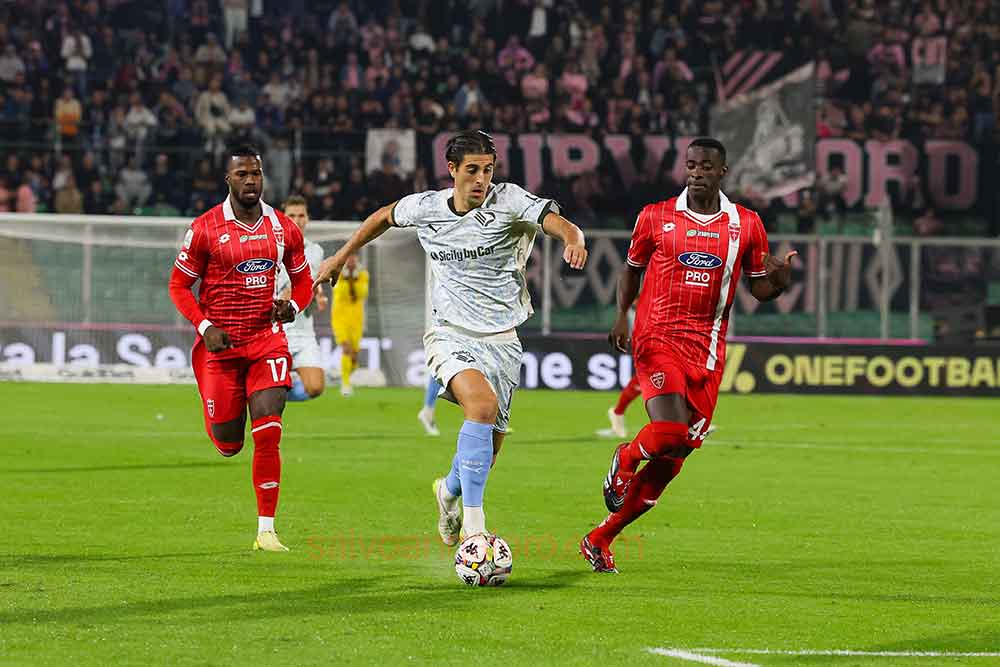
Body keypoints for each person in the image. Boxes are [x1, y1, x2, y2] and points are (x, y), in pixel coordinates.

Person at [314, 130, 587, 544]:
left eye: (488, 170)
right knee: (481, 407)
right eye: (472, 170)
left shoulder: (509, 201)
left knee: (488, 449)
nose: (481, 179)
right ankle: (475, 531)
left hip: (502, 339)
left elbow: (557, 223)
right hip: (449, 332)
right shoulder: (427, 207)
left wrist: (574, 237)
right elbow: (384, 216)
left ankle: (448, 492)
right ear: (453, 170)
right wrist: (340, 256)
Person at [580, 138, 797, 573]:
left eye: (706, 166)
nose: (697, 172)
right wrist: (621, 315)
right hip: (657, 338)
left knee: (673, 460)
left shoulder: (746, 224)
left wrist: (781, 282)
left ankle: (600, 538)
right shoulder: (655, 216)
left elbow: (758, 288)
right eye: (691, 165)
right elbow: (631, 269)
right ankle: (626, 457)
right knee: (670, 431)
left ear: (722, 172)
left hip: (708, 350)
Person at [168, 145, 314, 553]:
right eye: (242, 175)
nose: (251, 181)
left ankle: (266, 530)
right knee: (229, 443)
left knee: (269, 429)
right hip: (220, 345)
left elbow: (303, 280)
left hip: (266, 341)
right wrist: (205, 326)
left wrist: (293, 306)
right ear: (228, 180)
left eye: (256, 173)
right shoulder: (205, 228)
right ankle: (217, 412)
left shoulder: (283, 227)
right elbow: (178, 286)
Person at [275, 194, 327, 402]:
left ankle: (275, 394)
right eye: (291, 215)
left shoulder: (315, 251)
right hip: (275, 330)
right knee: (269, 386)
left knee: (315, 387)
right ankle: (270, 394)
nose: (297, 220)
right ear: (283, 218)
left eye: (301, 215)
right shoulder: (271, 247)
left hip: (303, 331)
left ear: (307, 218)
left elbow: (311, 285)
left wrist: (318, 296)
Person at [330, 253, 369, 396]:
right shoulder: (338, 273)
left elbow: (361, 293)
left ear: (357, 260)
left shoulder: (363, 275)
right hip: (339, 318)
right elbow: (341, 292)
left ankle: (344, 374)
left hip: (356, 319)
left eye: (353, 258)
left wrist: (353, 280)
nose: (351, 260)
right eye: (349, 258)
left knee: (354, 357)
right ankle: (345, 384)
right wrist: (349, 280)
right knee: (346, 349)